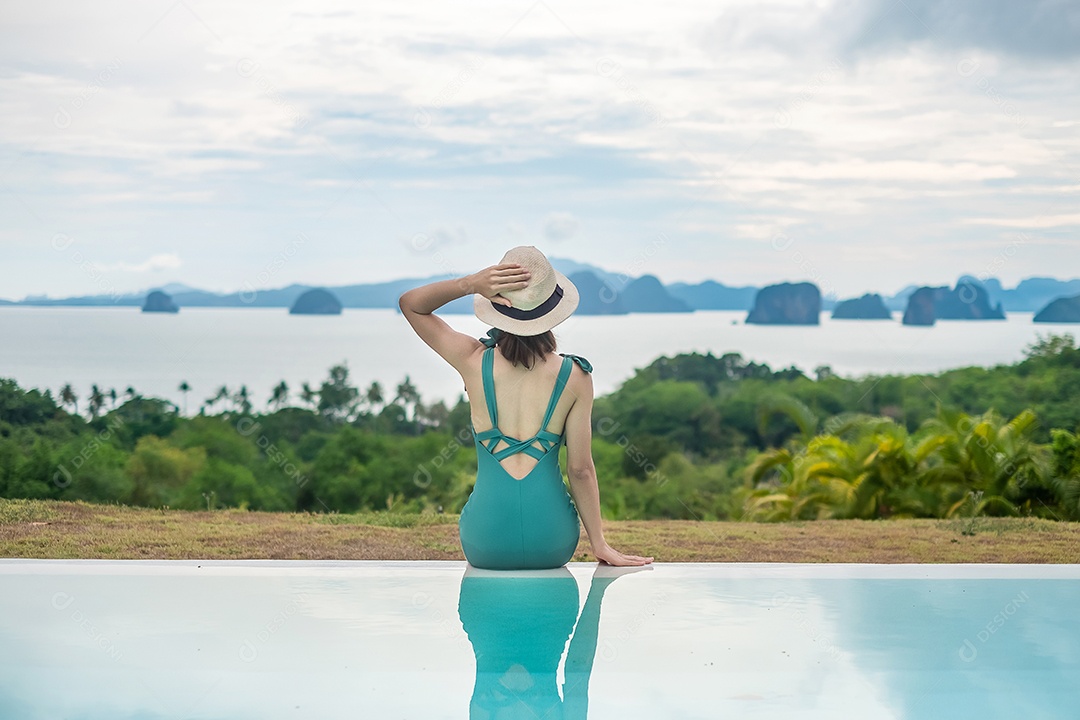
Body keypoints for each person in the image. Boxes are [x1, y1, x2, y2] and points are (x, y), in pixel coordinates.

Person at [398, 245, 653, 569]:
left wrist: (472, 283)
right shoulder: (575, 377)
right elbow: (580, 470)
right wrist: (599, 543)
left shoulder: (472, 361)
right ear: (552, 311)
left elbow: (411, 305)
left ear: (497, 304)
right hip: (552, 542)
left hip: (485, 541)